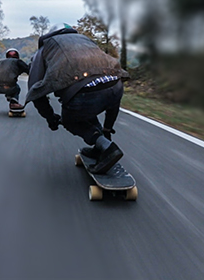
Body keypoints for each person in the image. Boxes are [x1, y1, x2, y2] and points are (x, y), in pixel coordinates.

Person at [26, 23, 130, 174]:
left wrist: (50, 118)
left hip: (85, 94)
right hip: (116, 86)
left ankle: (108, 148)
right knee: (92, 105)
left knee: (71, 120)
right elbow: (109, 85)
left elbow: (35, 90)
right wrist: (107, 128)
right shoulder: (85, 41)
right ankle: (102, 144)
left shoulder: (45, 48)